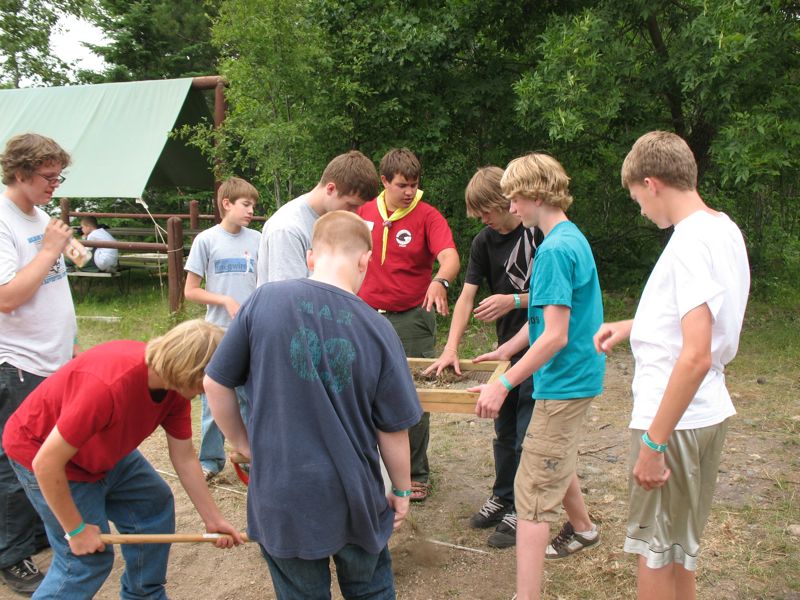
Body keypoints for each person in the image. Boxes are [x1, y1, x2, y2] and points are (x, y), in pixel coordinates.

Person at [204, 210, 421, 599]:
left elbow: (215, 383)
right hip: (355, 496)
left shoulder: (263, 300)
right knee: (370, 590)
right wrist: (402, 491)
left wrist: (243, 443)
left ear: (310, 257)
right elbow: (393, 428)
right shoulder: (379, 328)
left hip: (282, 494)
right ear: (364, 260)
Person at [594, 131, 749, 600]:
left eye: (637, 198)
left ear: (652, 183)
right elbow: (699, 316)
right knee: (678, 550)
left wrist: (653, 442)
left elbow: (696, 353)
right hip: (706, 412)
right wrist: (633, 326)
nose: (641, 209)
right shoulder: (722, 228)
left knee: (655, 554)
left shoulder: (687, 243)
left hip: (674, 419)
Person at [2, 319, 244, 599]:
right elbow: (46, 463)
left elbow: (185, 457)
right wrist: (76, 530)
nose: (211, 389)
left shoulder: (175, 390)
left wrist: (213, 519)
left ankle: (144, 594)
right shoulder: (108, 385)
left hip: (102, 449)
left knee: (152, 504)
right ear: (191, 371)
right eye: (211, 380)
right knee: (85, 562)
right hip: (45, 455)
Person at [470, 153, 605, 600]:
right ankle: (583, 529)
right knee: (552, 453)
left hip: (565, 380)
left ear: (536, 195)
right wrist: (505, 352)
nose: (511, 206)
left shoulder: (554, 250)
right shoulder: (567, 237)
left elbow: (555, 337)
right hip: (572, 377)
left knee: (530, 491)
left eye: (514, 197)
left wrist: (503, 383)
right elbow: (544, 320)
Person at [424, 166, 543, 547]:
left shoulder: (539, 232)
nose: (481, 219)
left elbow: (560, 297)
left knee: (527, 434)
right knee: (504, 430)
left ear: (503, 201)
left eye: (485, 211)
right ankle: (503, 497)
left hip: (541, 349)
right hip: (506, 351)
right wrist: (450, 348)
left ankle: (522, 510)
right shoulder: (483, 242)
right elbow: (466, 297)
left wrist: (514, 300)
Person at [357, 148, 460, 502]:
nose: (409, 191)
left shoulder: (428, 215)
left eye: (414, 185)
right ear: (384, 181)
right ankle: (372, 469)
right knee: (363, 391)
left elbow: (449, 257)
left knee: (413, 394)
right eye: (402, 185)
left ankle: (416, 473)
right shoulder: (363, 213)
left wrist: (440, 281)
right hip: (365, 316)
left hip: (412, 318)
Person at [0, 133, 76, 595]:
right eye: (48, 177)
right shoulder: (2, 219)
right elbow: (6, 297)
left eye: (59, 177)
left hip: (53, 359)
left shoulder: (39, 214)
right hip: (19, 362)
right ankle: (11, 555)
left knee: (46, 454)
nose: (55, 184)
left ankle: (30, 535)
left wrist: (67, 249)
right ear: (20, 172)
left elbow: (55, 271)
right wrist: (49, 250)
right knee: (16, 461)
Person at [184, 176, 260, 481]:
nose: (251, 210)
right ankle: (210, 461)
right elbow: (191, 290)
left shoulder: (258, 239)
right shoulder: (206, 240)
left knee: (250, 398)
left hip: (251, 332)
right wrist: (224, 300)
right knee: (212, 400)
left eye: (253, 205)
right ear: (226, 204)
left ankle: (250, 457)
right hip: (217, 333)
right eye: (246, 204)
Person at [256, 150, 380, 285]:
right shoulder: (288, 229)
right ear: (330, 189)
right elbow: (289, 295)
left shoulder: (333, 221)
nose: (354, 213)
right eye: (351, 205)